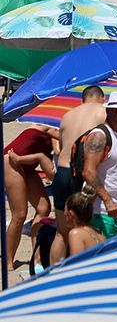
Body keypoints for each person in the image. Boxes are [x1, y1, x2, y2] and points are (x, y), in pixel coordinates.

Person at [78, 90, 117, 237]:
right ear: (108, 110)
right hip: (102, 211)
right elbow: (88, 172)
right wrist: (108, 201)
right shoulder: (99, 136)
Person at [4, 124, 55, 270]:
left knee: (43, 208)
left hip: (27, 164)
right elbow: (52, 170)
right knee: (19, 214)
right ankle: (8, 261)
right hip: (11, 162)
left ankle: (36, 253)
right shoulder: (51, 126)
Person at [54, 85, 105, 212]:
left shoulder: (67, 115)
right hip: (82, 173)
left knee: (62, 221)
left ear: (82, 101)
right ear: (103, 99)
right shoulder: (104, 112)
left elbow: (61, 147)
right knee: (83, 221)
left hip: (62, 172)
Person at [46, 191, 102, 267]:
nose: (64, 214)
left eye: (65, 210)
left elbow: (76, 265)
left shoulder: (76, 234)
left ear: (71, 214)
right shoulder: (99, 234)